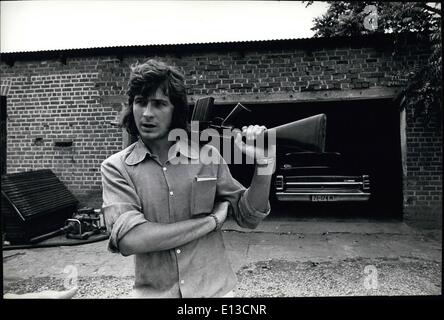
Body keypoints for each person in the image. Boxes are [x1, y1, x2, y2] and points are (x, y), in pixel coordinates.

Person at [101, 59, 276, 298]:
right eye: (140, 102)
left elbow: (249, 216)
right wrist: (211, 221)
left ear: (176, 111)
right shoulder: (116, 167)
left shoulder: (207, 157)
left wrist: (264, 165)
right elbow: (131, 239)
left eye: (159, 104)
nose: (147, 113)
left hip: (215, 292)